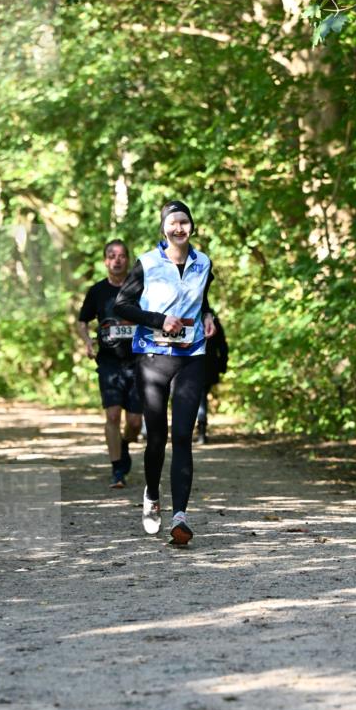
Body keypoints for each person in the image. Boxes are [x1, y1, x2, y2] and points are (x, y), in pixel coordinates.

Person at [113, 199, 216, 546]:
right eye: (172, 222)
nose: (179, 228)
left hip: (192, 354)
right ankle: (152, 494)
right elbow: (122, 305)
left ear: (192, 226)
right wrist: (159, 320)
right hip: (153, 356)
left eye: (184, 222)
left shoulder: (203, 262)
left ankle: (180, 517)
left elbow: (203, 298)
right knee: (156, 437)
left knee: (183, 435)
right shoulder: (146, 262)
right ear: (163, 228)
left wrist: (208, 316)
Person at [77, 240, 142, 488]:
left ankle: (125, 443)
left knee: (135, 423)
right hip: (109, 362)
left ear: (128, 260)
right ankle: (117, 470)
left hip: (138, 360)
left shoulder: (140, 288)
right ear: (105, 261)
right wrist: (87, 343)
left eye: (122, 256)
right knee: (113, 415)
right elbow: (82, 321)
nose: (117, 260)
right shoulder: (97, 291)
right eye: (112, 256)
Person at [196, 313, 228, 444]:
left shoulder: (192, 316)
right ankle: (201, 431)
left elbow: (222, 346)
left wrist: (222, 365)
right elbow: (223, 346)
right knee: (202, 398)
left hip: (200, 364)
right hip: (209, 365)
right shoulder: (214, 321)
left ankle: (200, 431)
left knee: (199, 398)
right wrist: (222, 365)